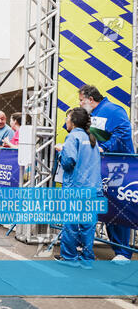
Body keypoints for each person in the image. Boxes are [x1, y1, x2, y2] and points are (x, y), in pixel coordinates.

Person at [79, 84, 135, 263]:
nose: (80, 104)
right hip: (101, 166)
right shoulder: (91, 114)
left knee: (118, 205)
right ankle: (115, 249)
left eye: (81, 100)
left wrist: (105, 147)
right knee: (106, 205)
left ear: (90, 99)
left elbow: (123, 133)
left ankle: (124, 252)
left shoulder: (114, 110)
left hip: (119, 166)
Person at [54, 108, 101, 268]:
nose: (66, 121)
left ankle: (69, 257)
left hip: (76, 187)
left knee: (72, 224)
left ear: (73, 122)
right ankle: (87, 259)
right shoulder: (92, 137)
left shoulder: (72, 136)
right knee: (88, 225)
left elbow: (69, 162)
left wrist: (61, 152)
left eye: (67, 118)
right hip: (93, 187)